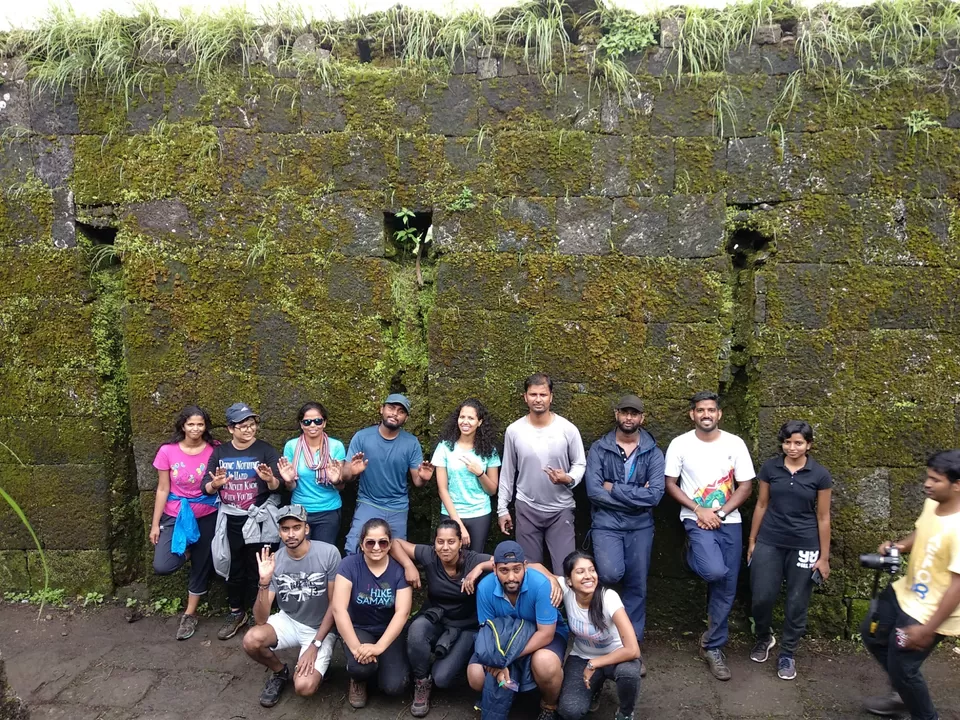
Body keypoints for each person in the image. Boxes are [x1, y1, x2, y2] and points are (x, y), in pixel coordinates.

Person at [861, 450, 960, 720]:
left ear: (957, 484)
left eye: (935, 480)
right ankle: (901, 694)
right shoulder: (933, 503)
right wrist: (900, 546)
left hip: (932, 609)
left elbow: (957, 587)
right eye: (928, 477)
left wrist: (928, 630)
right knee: (872, 634)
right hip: (906, 592)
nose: (927, 484)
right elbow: (923, 531)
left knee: (904, 667)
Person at [664, 390, 755, 681]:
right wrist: (698, 509)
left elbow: (745, 486)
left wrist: (721, 513)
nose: (706, 414)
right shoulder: (680, 444)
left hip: (729, 520)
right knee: (714, 571)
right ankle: (690, 552)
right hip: (695, 519)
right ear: (693, 414)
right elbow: (670, 484)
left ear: (719, 414)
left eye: (711, 410)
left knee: (727, 584)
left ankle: (712, 646)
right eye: (701, 410)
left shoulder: (734, 443)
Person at [584, 394, 664, 675]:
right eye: (625, 413)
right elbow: (593, 491)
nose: (629, 418)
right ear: (616, 414)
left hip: (640, 527)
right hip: (606, 524)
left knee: (636, 585)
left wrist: (614, 489)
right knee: (609, 574)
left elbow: (654, 495)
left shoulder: (653, 451)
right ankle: (605, 639)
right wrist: (634, 495)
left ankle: (633, 647)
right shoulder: (599, 448)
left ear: (642, 418)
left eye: (635, 414)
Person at [748, 420, 833, 681]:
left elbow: (823, 517)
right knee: (761, 597)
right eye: (787, 442)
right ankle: (764, 637)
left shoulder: (819, 475)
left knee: (797, 602)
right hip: (770, 540)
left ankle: (787, 653)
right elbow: (761, 505)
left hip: (805, 544)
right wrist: (752, 541)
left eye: (798, 443)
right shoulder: (770, 468)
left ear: (809, 445)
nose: (792, 447)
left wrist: (824, 557)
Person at [390, 519, 494, 717]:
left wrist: (479, 569)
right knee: (416, 630)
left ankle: (458, 663)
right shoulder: (429, 555)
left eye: (451, 542)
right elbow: (395, 543)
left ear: (460, 543)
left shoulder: (473, 559)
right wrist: (408, 565)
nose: (445, 547)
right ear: (435, 543)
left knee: (443, 678)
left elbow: (505, 562)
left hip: (466, 625)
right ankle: (421, 681)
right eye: (440, 541)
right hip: (436, 617)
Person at [242, 505, 342, 707]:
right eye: (285, 529)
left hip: (321, 627)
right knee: (251, 640)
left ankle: (322, 663)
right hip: (290, 619)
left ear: (306, 529)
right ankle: (280, 672)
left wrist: (315, 645)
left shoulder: (329, 553)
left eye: (296, 527)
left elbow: (335, 604)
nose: (290, 534)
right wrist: (264, 581)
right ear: (279, 532)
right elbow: (260, 619)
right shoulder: (275, 560)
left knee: (304, 687)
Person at [204, 402, 282, 641]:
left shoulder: (266, 450)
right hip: (232, 519)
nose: (248, 430)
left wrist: (269, 480)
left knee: (259, 567)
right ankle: (236, 612)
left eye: (252, 425)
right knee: (233, 567)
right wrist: (215, 485)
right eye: (242, 426)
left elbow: (279, 485)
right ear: (230, 429)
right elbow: (205, 487)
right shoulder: (220, 453)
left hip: (259, 519)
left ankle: (262, 616)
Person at [467, 540, 568, 720]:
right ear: (494, 568)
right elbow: (488, 633)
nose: (511, 577)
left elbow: (546, 634)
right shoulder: (485, 587)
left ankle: (549, 705)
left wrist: (503, 661)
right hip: (504, 639)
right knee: (475, 675)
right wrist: (496, 667)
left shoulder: (541, 584)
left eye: (517, 569)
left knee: (545, 663)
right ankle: (509, 696)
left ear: (525, 567)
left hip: (540, 637)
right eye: (504, 570)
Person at [498, 373, 587, 574]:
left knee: (566, 571)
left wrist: (569, 478)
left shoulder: (568, 430)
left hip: (561, 508)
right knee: (529, 572)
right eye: (533, 394)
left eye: (543, 394)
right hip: (526, 507)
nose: (538, 399)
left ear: (551, 397)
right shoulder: (514, 431)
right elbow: (508, 472)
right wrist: (502, 508)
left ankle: (563, 606)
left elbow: (580, 463)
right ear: (525, 397)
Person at [149, 405, 218, 641]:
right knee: (163, 564)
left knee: (202, 564)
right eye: (191, 424)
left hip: (207, 513)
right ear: (183, 426)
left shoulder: (214, 450)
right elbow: (162, 488)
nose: (196, 428)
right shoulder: (167, 451)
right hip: (175, 514)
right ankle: (186, 551)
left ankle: (190, 613)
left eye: (200, 424)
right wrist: (155, 523)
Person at [333, 517, 413, 708]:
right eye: (370, 542)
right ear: (362, 544)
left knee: (394, 687)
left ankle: (381, 666)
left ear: (389, 544)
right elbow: (339, 609)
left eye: (382, 542)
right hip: (359, 627)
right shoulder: (349, 565)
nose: (376, 547)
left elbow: (402, 613)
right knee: (359, 667)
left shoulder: (399, 570)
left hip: (388, 630)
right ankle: (358, 679)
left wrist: (378, 648)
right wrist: (355, 648)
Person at [554, 551, 641, 720]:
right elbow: (533, 567)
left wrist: (594, 663)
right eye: (580, 572)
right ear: (569, 580)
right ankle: (595, 687)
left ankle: (625, 712)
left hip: (617, 656)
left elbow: (633, 650)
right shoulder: (566, 589)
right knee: (569, 711)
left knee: (628, 674)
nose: (588, 576)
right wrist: (551, 579)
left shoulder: (609, 598)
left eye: (592, 570)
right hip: (581, 656)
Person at [343, 393, 434, 553]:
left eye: (401, 411)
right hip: (369, 502)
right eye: (391, 408)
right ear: (381, 409)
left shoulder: (411, 443)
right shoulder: (362, 437)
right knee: (354, 547)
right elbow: (345, 477)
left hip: (397, 505)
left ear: (405, 418)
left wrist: (424, 479)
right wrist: (352, 471)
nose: (394, 414)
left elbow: (417, 482)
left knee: (396, 552)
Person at [432, 398, 501, 551]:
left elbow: (492, 490)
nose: (465, 421)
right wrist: (458, 524)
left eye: (471, 418)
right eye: (462, 417)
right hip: (451, 513)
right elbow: (442, 489)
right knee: (450, 559)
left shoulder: (489, 451)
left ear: (480, 422)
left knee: (475, 560)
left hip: (480, 513)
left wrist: (480, 473)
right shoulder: (444, 447)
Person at [277, 402, 347, 546]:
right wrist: (288, 481)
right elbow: (291, 487)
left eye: (318, 421)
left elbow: (341, 487)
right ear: (301, 425)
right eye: (307, 422)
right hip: (299, 510)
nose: (312, 425)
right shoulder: (292, 446)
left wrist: (335, 480)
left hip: (328, 510)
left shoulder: (336, 446)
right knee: (297, 555)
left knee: (323, 555)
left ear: (324, 423)